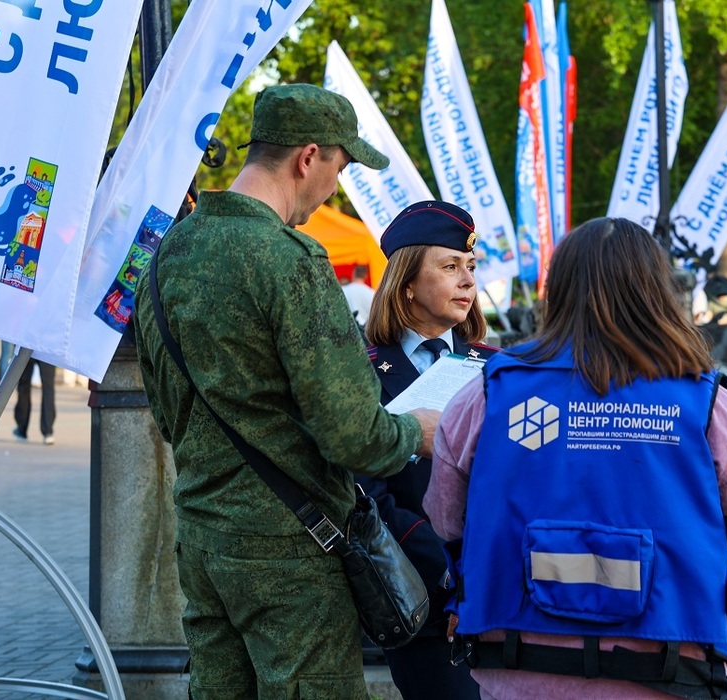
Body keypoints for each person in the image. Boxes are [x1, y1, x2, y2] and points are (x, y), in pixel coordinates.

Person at [133, 83, 440, 700]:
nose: (334, 188)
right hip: (291, 552)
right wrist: (419, 431)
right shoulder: (292, 260)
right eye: (340, 168)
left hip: (203, 541)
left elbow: (167, 416)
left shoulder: (165, 255)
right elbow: (354, 434)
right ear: (308, 157)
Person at [424, 217, 727, 699]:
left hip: (517, 665)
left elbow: (446, 520)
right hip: (668, 669)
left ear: (558, 292)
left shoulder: (488, 394)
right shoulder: (706, 404)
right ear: (656, 292)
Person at [359, 200, 498, 700]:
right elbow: (364, 492)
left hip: (497, 591)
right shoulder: (361, 370)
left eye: (471, 266)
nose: (467, 280)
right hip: (418, 592)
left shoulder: (500, 369)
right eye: (450, 266)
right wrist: (446, 573)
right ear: (407, 283)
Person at [13, 358, 56, 445]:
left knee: (24, 385)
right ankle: (48, 431)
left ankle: (22, 428)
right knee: (48, 387)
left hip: (28, 350)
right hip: (48, 351)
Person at [341, 263, 375, 329]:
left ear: (353, 273)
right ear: (366, 276)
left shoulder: (343, 290)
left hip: (347, 329)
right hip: (365, 330)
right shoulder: (372, 293)